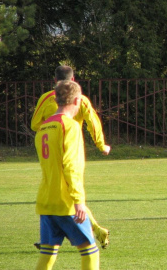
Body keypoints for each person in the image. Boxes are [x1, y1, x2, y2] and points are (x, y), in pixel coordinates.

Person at [31, 65, 110, 249]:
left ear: (54, 82)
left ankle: (90, 233)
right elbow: (93, 122)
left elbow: (35, 124)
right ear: (73, 80)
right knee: (68, 193)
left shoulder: (46, 98)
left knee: (61, 193)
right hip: (74, 152)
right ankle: (52, 238)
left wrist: (49, 131)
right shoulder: (80, 99)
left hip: (52, 155)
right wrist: (101, 145)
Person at [34, 80, 99, 269]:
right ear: (78, 100)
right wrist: (78, 200)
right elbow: (71, 166)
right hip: (66, 203)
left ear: (55, 99)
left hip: (46, 201)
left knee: (47, 255)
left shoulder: (43, 128)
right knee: (90, 252)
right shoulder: (70, 126)